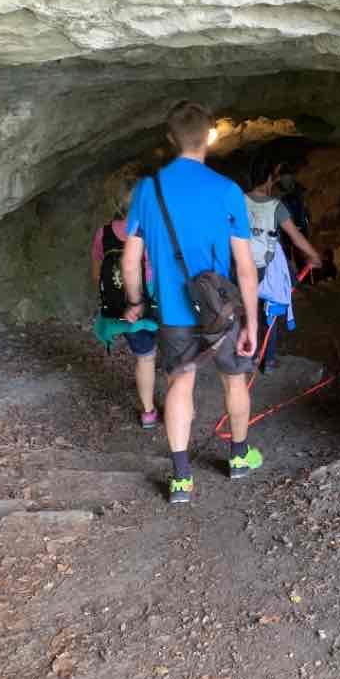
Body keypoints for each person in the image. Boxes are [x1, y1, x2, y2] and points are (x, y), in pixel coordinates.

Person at [121, 100, 262, 502]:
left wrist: (136, 301)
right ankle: (238, 457)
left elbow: (131, 260)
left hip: (174, 312)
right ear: (210, 136)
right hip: (221, 311)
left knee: (179, 383)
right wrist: (250, 323)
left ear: (170, 139)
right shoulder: (227, 190)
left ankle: (181, 478)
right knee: (234, 379)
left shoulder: (149, 191)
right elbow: (245, 267)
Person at [90, 173, 159, 429]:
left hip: (123, 305)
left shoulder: (104, 233)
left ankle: (149, 411)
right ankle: (179, 405)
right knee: (175, 355)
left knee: (145, 357)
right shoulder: (153, 229)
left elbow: (97, 274)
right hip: (154, 300)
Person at [245, 154, 322, 373]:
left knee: (247, 311)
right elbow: (296, 237)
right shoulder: (275, 206)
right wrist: (314, 256)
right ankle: (267, 361)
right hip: (266, 270)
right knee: (271, 312)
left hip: (241, 268)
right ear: (270, 179)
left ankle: (248, 356)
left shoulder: (237, 200)